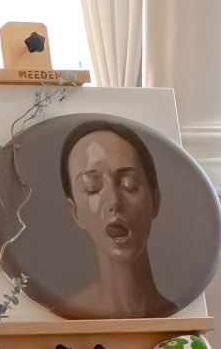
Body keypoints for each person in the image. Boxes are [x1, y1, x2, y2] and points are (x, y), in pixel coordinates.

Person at [59, 117, 171, 317]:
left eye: (128, 183)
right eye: (92, 187)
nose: (113, 202)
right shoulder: (64, 314)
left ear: (155, 201)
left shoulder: (179, 315)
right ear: (75, 212)